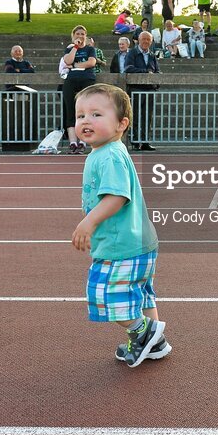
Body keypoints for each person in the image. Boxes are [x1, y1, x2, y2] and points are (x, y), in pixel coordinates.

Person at [70, 83, 168, 367]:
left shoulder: (109, 155)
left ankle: (143, 331)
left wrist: (89, 222)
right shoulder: (107, 151)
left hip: (121, 244)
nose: (86, 121)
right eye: (80, 115)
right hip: (137, 241)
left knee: (106, 294)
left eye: (96, 114)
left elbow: (117, 197)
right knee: (141, 294)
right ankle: (154, 343)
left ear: (121, 124)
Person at [61, 25, 99, 154]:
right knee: (70, 110)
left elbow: (91, 62)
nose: (80, 36)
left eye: (82, 34)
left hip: (87, 79)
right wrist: (75, 47)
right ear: (73, 36)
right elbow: (68, 61)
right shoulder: (69, 49)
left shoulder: (90, 49)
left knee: (86, 111)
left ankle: (83, 142)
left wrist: (76, 65)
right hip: (71, 80)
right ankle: (73, 143)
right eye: (78, 34)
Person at [124, 30, 160, 151]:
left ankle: (145, 141)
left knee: (147, 117)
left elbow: (157, 70)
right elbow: (128, 68)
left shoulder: (152, 55)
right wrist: (145, 72)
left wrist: (156, 81)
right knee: (134, 116)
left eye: (148, 40)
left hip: (149, 90)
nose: (146, 41)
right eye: (143, 39)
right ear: (139, 40)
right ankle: (135, 141)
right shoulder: (132, 53)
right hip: (136, 89)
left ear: (151, 42)